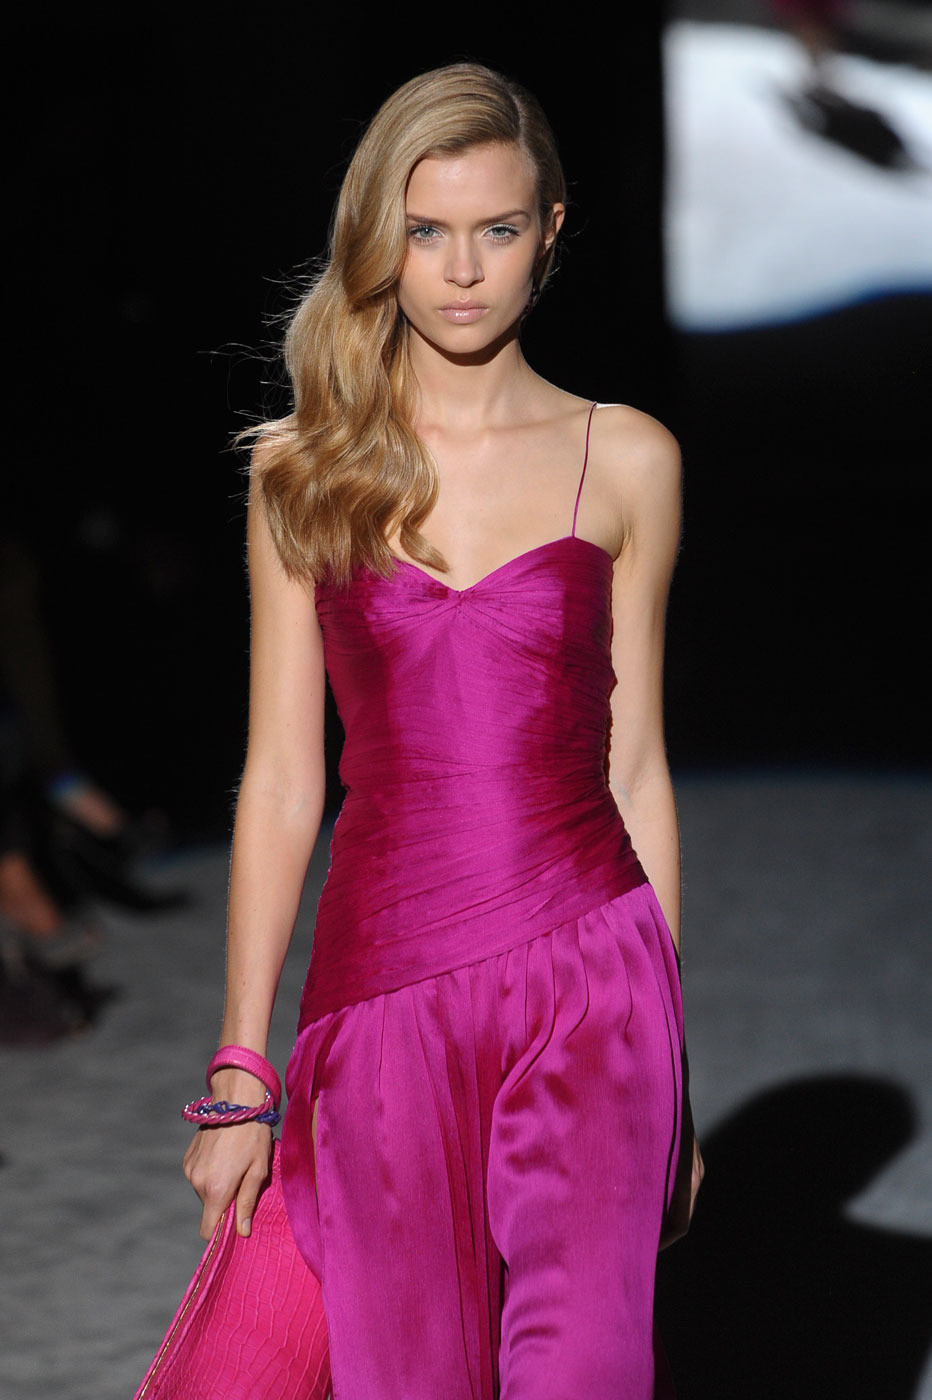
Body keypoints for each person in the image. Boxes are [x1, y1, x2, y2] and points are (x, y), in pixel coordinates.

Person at [183, 61, 704, 1399]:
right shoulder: (304, 468)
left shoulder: (627, 457)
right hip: (383, 998)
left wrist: (675, 1064)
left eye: (498, 229)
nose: (463, 271)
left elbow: (637, 764)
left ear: (552, 231)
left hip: (594, 984)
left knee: (587, 1370)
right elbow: (282, 778)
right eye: (426, 231)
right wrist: (242, 1068)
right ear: (380, 236)